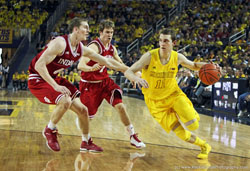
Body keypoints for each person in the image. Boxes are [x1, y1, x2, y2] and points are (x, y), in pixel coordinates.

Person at [28, 17, 129, 152]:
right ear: (76, 29)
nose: (88, 30)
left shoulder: (81, 48)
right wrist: (55, 86)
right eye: (85, 27)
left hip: (53, 77)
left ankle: (86, 142)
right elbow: (40, 65)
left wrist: (130, 71)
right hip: (38, 79)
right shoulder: (60, 43)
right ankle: (49, 129)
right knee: (65, 100)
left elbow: (107, 61)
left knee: (84, 111)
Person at [125, 28, 221, 159]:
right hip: (156, 103)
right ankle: (204, 145)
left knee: (193, 125)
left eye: (166, 41)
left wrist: (212, 67)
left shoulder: (177, 57)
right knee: (182, 134)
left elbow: (193, 65)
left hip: (173, 95)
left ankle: (187, 116)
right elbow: (128, 71)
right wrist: (136, 78)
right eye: (160, 41)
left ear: (173, 43)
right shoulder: (149, 56)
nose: (162, 44)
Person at [77, 19, 145, 149]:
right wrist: (91, 69)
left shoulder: (112, 48)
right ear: (100, 32)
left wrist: (132, 75)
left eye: (111, 32)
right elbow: (81, 65)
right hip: (89, 85)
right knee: (88, 118)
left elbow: (121, 66)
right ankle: (85, 141)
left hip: (105, 82)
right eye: (107, 32)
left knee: (121, 106)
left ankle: (132, 136)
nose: (110, 35)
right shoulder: (93, 47)